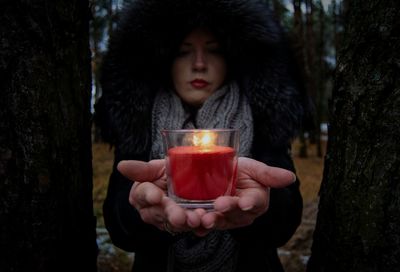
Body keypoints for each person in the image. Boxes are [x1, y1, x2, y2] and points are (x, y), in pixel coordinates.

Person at [94, 0, 310, 271]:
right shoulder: (140, 123)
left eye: (214, 51)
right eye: (184, 52)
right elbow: (119, 228)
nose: (199, 64)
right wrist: (140, 210)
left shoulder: (262, 117)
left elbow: (284, 223)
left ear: (231, 58)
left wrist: (260, 208)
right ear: (165, 60)